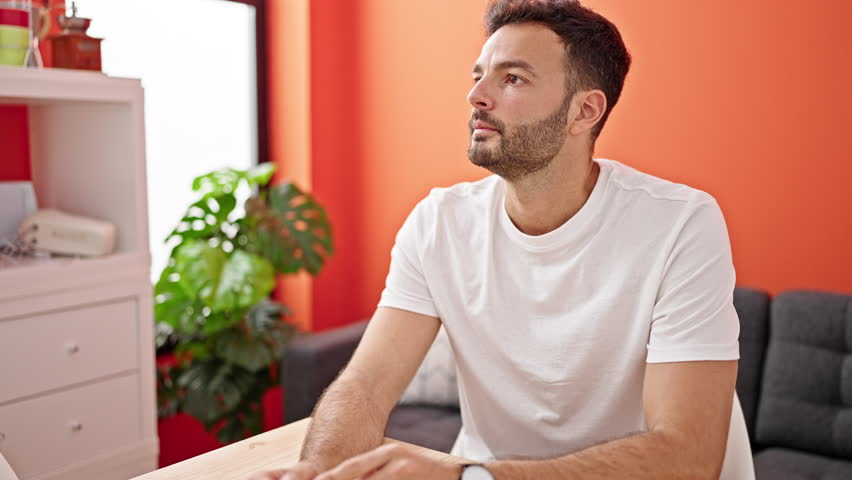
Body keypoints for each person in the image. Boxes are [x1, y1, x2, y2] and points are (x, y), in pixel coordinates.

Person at [252, 0, 752, 478]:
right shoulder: (438, 224)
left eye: (512, 78)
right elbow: (365, 385)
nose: (476, 96)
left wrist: (469, 476)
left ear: (584, 112)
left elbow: (687, 456)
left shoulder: (679, 225)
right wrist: (315, 473)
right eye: (478, 76)